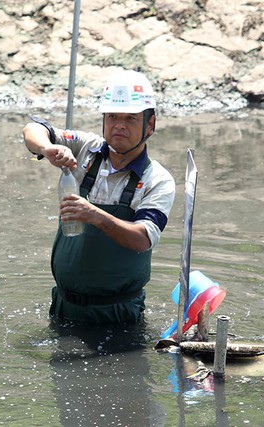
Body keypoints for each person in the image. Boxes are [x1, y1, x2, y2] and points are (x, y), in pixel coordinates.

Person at [22, 69, 175, 324]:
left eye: (131, 119)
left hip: (118, 313)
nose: (119, 126)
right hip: (64, 306)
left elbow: (143, 238)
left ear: (150, 125)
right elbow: (32, 128)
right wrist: (48, 148)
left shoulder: (157, 179)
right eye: (113, 116)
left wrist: (95, 215)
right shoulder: (85, 148)